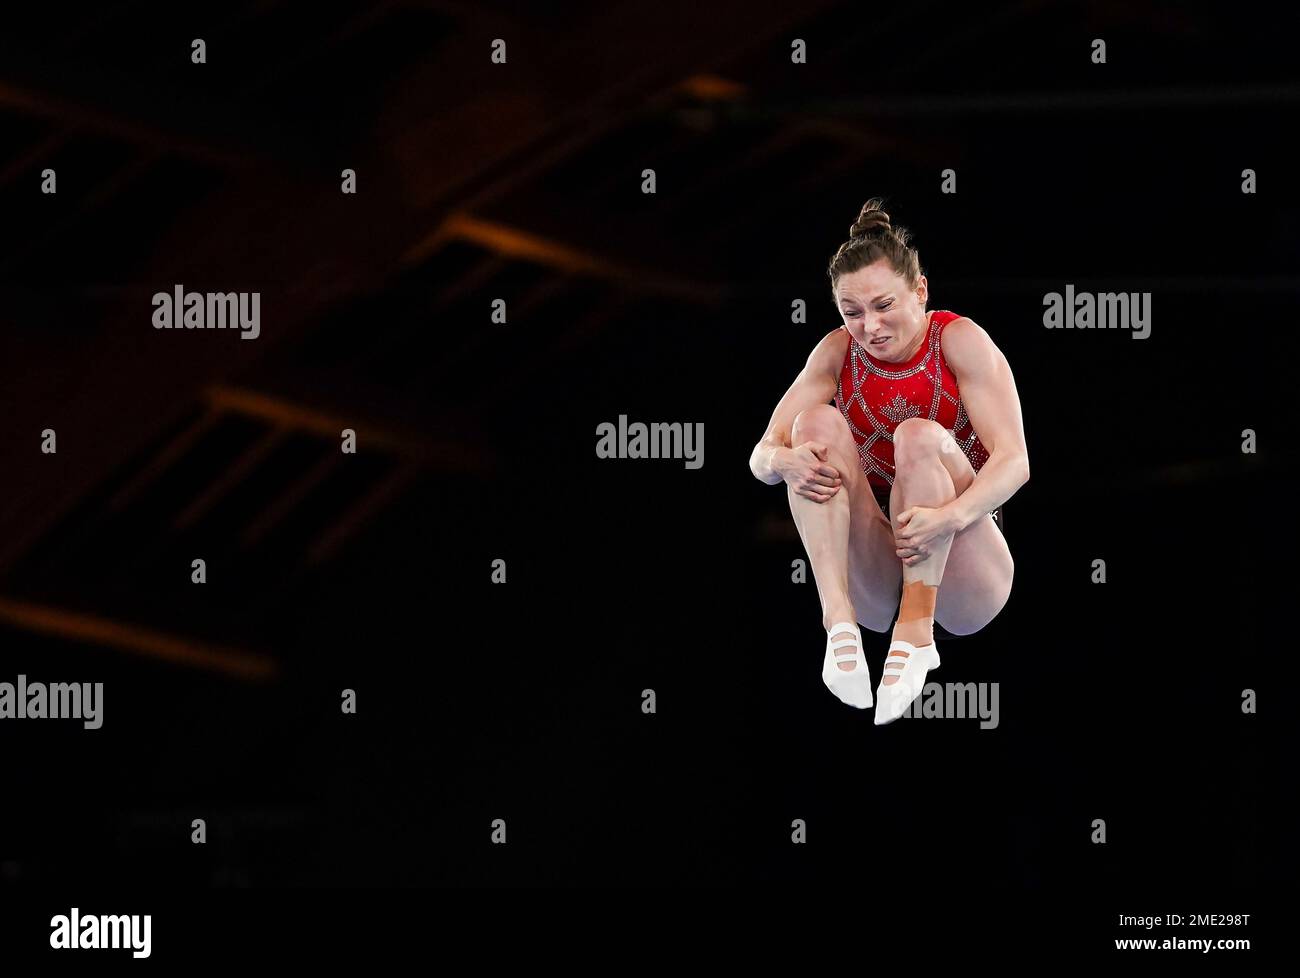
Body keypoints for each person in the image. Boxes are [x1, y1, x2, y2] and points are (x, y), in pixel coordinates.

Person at [748, 198, 1029, 724]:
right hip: (882, 570)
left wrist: (949, 518)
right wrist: (784, 463)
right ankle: (838, 624)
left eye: (883, 306)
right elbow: (761, 455)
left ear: (920, 291)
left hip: (966, 571)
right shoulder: (836, 353)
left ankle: (918, 635)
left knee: (918, 437)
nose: (869, 326)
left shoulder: (959, 340)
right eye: (851, 312)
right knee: (811, 427)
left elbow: (1016, 462)